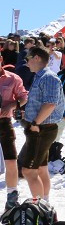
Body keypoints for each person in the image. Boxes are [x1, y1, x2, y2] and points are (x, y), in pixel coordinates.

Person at [20, 46, 64, 202]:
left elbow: (50, 104)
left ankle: (39, 208)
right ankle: (45, 205)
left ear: (36, 57)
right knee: (41, 169)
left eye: (28, 59)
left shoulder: (48, 77)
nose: (26, 63)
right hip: (41, 127)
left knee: (28, 171)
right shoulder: (41, 76)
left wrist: (35, 122)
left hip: (41, 129)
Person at [0, 61, 28, 209]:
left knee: (11, 161)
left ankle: (12, 197)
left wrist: (12, 105)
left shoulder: (13, 78)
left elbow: (24, 97)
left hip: (4, 123)